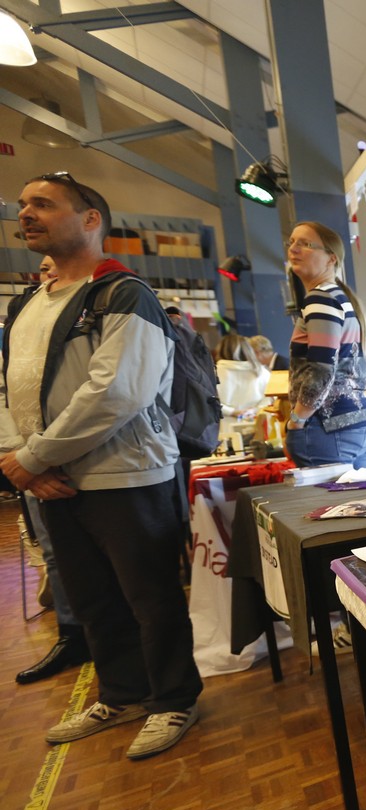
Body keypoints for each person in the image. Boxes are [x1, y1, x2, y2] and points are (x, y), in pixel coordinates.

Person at [0, 172, 202, 758]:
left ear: (91, 219)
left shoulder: (123, 294)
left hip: (126, 475)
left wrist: (32, 458)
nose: (26, 213)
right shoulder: (28, 304)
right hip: (54, 481)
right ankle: (122, 694)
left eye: (43, 204)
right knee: (93, 600)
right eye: (23, 204)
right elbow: (16, 388)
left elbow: (117, 391)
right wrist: (26, 464)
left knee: (151, 598)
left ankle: (173, 699)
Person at [5, 254, 90, 684]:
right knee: (55, 554)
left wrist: (33, 458)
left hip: (94, 458)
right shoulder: (21, 316)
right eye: (43, 268)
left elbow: (107, 394)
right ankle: (72, 635)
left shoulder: (102, 303)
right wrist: (23, 462)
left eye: (58, 265)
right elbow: (7, 391)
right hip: (30, 464)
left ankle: (114, 644)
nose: (51, 272)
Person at [283, 221, 366, 468]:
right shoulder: (339, 298)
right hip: (357, 423)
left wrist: (296, 420)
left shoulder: (320, 299)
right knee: (360, 495)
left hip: (327, 427)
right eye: (291, 242)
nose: (294, 249)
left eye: (305, 244)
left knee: (329, 496)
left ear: (331, 258)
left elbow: (322, 369)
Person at [214, 332, 270, 417]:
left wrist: (231, 412)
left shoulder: (213, 373)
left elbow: (209, 400)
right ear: (248, 350)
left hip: (224, 422)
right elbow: (269, 398)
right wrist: (254, 410)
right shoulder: (262, 372)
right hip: (256, 419)